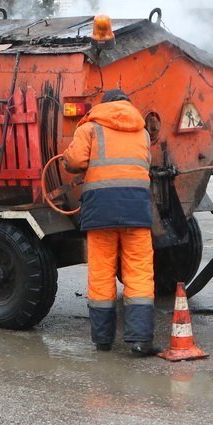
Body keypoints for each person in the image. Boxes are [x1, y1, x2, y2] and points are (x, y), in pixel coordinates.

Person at [62, 88, 159, 356]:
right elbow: (144, 166)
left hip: (101, 211)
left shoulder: (90, 128)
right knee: (139, 273)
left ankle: (103, 340)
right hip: (136, 211)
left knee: (101, 273)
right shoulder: (142, 132)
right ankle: (140, 341)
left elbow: (75, 160)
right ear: (128, 105)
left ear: (104, 105)